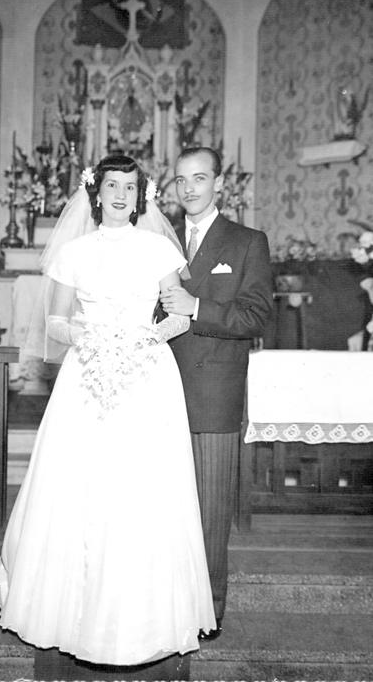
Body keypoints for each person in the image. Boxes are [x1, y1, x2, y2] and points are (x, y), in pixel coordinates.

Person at [0, 154, 217, 669]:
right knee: (81, 484)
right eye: (111, 185)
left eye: (130, 187)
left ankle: (144, 619)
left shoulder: (160, 248)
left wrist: (145, 339)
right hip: (88, 375)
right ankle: (70, 614)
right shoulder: (73, 252)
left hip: (145, 375)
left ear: (143, 197)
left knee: (141, 485)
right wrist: (89, 338)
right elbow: (53, 322)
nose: (120, 195)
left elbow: (179, 316)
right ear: (96, 192)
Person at [160, 146, 273, 639]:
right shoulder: (158, 239)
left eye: (199, 179)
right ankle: (162, 601)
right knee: (161, 503)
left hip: (213, 392)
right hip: (157, 389)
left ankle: (209, 609)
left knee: (209, 510)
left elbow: (255, 316)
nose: (189, 189)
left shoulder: (247, 241)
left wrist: (197, 306)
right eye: (182, 180)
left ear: (219, 184)